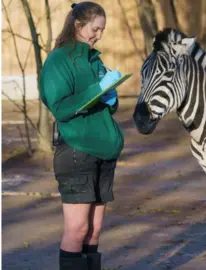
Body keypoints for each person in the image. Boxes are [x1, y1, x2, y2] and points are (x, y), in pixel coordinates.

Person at [39, 2, 124, 270]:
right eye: (95, 29)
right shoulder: (59, 60)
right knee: (77, 229)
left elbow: (106, 102)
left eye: (102, 30)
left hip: (104, 151)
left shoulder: (94, 59)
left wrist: (111, 97)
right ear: (78, 25)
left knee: (95, 230)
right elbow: (61, 107)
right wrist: (95, 92)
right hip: (76, 151)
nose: (98, 35)